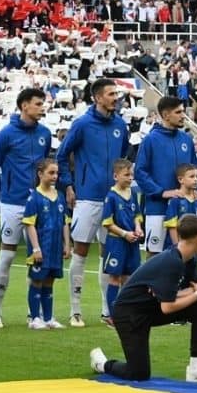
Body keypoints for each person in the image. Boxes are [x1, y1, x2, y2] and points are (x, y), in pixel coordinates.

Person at [90, 214, 197, 385]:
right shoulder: (172, 262)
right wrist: (195, 293)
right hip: (130, 314)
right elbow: (169, 307)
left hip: (151, 307)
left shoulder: (190, 259)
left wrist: (190, 294)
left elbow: (196, 289)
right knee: (138, 373)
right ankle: (102, 364)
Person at [56, 78, 129, 328]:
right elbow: (62, 155)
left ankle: (107, 310)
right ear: (97, 97)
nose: (115, 97)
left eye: (117, 93)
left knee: (110, 255)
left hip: (114, 199)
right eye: (111, 94)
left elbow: (123, 159)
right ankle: (75, 310)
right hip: (87, 197)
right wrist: (68, 185)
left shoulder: (121, 124)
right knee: (82, 251)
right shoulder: (83, 124)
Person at [0, 88, 52, 329]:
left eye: (43, 103)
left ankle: (33, 314)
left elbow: (45, 167)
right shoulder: (6, 134)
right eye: (38, 103)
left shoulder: (45, 133)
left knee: (37, 257)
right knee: (7, 255)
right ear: (24, 106)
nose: (42, 107)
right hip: (12, 203)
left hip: (38, 203)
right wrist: (5, 195)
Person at [135, 96, 196, 257]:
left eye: (183, 111)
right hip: (157, 207)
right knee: (154, 255)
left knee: (185, 253)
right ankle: (150, 284)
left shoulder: (186, 140)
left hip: (183, 208)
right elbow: (140, 172)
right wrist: (161, 192)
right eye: (179, 112)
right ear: (166, 115)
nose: (183, 115)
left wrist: (194, 189)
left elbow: (193, 169)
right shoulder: (150, 140)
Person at [23, 158, 70, 330]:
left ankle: (48, 317)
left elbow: (65, 221)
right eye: (51, 172)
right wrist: (36, 248)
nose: (55, 176)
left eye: (56, 173)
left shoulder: (60, 196)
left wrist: (67, 243)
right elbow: (29, 224)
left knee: (49, 282)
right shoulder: (34, 197)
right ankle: (34, 318)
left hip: (55, 247)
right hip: (41, 247)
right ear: (40, 174)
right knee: (37, 281)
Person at [101, 159, 143, 323]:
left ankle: (127, 312)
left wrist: (138, 227)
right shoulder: (111, 197)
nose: (130, 178)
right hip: (117, 242)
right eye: (126, 175)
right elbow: (107, 223)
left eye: (131, 174)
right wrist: (124, 233)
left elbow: (137, 215)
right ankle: (112, 315)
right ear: (115, 176)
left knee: (129, 278)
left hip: (131, 242)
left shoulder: (132, 194)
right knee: (115, 278)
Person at [163, 163, 197, 247]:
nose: (195, 179)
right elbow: (172, 226)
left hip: (194, 246)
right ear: (181, 180)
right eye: (192, 177)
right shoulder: (175, 200)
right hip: (179, 247)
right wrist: (177, 247)